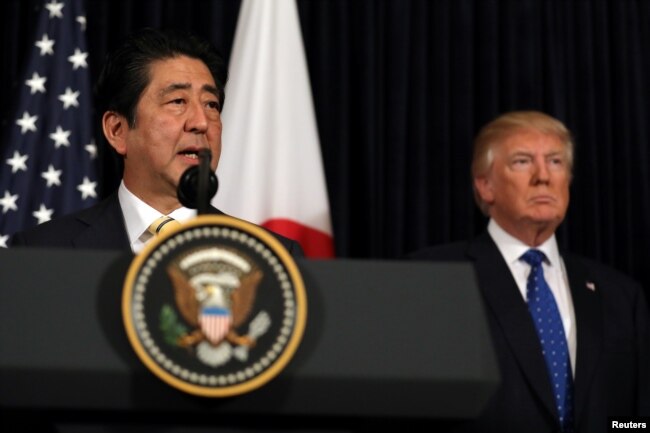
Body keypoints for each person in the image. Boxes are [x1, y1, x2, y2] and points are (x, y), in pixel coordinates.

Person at [408, 111, 649, 433]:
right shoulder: (432, 278)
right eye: (522, 162)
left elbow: (636, 420)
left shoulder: (621, 295)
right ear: (485, 186)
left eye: (555, 162)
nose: (543, 176)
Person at [9, 27, 303, 257]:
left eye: (211, 104)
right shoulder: (42, 251)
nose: (201, 122)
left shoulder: (272, 258)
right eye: (177, 101)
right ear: (117, 130)